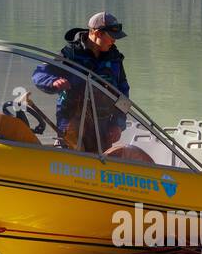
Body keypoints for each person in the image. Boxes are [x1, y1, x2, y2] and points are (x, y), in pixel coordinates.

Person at [32, 12, 130, 153]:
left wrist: (118, 124)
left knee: (99, 166)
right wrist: (53, 82)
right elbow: (39, 74)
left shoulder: (114, 58)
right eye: (112, 37)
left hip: (102, 125)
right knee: (70, 162)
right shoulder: (69, 54)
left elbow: (123, 93)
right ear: (97, 33)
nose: (114, 41)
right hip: (71, 121)